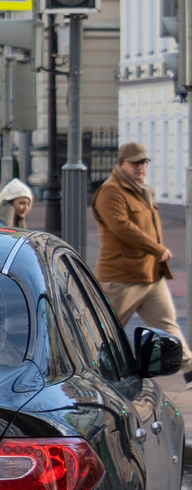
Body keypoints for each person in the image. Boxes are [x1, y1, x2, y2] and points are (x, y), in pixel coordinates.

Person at [93, 144, 183, 349]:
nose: (140, 167)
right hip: (122, 278)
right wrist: (157, 249)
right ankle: (88, 370)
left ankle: (188, 370)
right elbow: (122, 227)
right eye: (134, 163)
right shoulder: (110, 192)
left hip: (150, 276)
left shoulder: (143, 190)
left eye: (143, 163)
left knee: (169, 329)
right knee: (104, 333)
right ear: (121, 164)